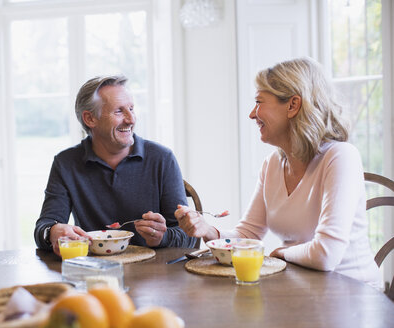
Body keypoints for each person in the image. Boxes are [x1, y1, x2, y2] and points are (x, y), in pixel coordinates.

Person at [175, 57, 382, 288]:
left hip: (353, 295)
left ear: (293, 105)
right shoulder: (272, 163)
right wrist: (209, 230)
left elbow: (326, 254)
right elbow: (248, 234)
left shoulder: (341, 157)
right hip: (303, 289)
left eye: (259, 102)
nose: (252, 114)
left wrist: (280, 253)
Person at [34, 75, 196, 257]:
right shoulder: (66, 163)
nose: (130, 119)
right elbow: (43, 228)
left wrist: (162, 237)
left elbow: (188, 237)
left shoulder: (162, 158)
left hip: (155, 278)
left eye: (131, 109)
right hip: (95, 274)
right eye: (119, 111)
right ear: (89, 119)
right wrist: (53, 232)